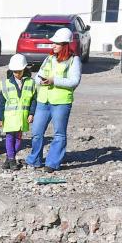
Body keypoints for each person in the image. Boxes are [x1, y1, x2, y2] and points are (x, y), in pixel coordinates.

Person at [26, 27, 81, 173]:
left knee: (59, 134)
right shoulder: (49, 58)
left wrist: (54, 81)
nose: (53, 45)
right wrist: (41, 81)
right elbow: (38, 76)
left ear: (65, 44)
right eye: (53, 43)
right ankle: (34, 160)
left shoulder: (74, 60)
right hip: (43, 100)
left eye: (56, 43)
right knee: (37, 132)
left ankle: (52, 163)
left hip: (61, 102)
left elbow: (74, 81)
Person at [0, 53, 38, 171]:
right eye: (15, 71)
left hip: (22, 117)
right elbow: (1, 103)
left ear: (24, 69)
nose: (17, 74)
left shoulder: (31, 83)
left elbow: (33, 100)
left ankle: (8, 159)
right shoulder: (6, 83)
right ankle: (12, 160)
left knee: (18, 140)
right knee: (9, 138)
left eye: (19, 71)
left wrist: (31, 113)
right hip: (9, 117)